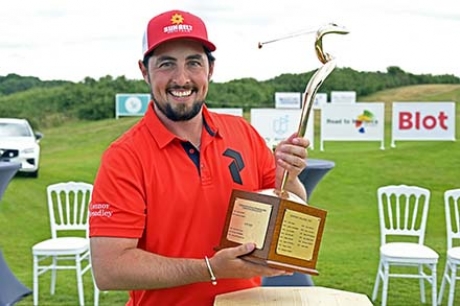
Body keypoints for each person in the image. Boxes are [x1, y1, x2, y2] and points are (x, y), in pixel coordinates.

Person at [89, 9, 310, 306]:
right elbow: (109, 269)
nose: (182, 79)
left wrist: (291, 177)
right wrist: (209, 269)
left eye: (194, 62)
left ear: (210, 69)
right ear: (145, 71)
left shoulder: (242, 133)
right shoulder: (124, 157)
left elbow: (292, 207)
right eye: (167, 64)